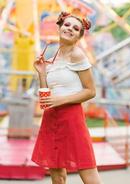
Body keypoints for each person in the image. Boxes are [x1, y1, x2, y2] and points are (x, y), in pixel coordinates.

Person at [32, 12, 103, 184]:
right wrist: (42, 73)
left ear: (79, 37)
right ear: (60, 27)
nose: (70, 29)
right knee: (57, 176)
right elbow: (45, 98)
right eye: (67, 25)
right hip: (51, 120)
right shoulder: (51, 60)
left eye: (75, 28)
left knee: (88, 174)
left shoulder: (77, 55)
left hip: (71, 118)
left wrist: (59, 100)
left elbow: (90, 91)